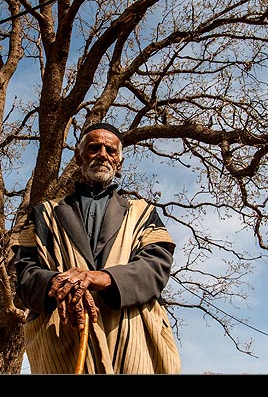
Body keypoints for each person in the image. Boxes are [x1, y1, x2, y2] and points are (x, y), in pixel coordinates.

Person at [12, 122, 181, 374]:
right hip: (62, 341)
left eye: (110, 150)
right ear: (79, 157)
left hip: (130, 340)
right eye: (94, 148)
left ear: (119, 162)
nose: (102, 154)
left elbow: (156, 267)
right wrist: (60, 284)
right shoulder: (43, 214)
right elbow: (23, 276)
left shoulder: (143, 213)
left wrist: (101, 278)